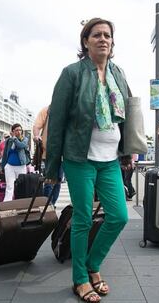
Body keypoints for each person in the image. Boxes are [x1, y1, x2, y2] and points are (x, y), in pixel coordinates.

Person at [45, 18, 130, 302]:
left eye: (107, 35)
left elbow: (127, 114)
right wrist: (52, 165)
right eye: (97, 35)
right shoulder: (72, 73)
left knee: (119, 216)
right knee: (82, 219)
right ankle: (80, 278)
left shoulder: (118, 73)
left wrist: (128, 150)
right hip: (79, 157)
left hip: (110, 159)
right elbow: (55, 121)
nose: (103, 39)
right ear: (86, 41)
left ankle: (93, 265)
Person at [33, 105, 63, 207]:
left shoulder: (67, 108)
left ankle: (52, 204)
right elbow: (36, 126)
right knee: (49, 181)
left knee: (58, 181)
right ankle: (46, 205)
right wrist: (37, 136)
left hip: (63, 154)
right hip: (48, 153)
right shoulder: (47, 110)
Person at [1, 123, 29, 201]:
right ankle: (7, 204)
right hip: (10, 166)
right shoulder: (8, 141)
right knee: (10, 186)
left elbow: (21, 146)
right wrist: (3, 166)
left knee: (21, 186)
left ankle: (20, 202)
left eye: (20, 130)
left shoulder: (25, 139)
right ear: (13, 131)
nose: (19, 132)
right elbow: (5, 154)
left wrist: (14, 138)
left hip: (21, 166)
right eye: (16, 130)